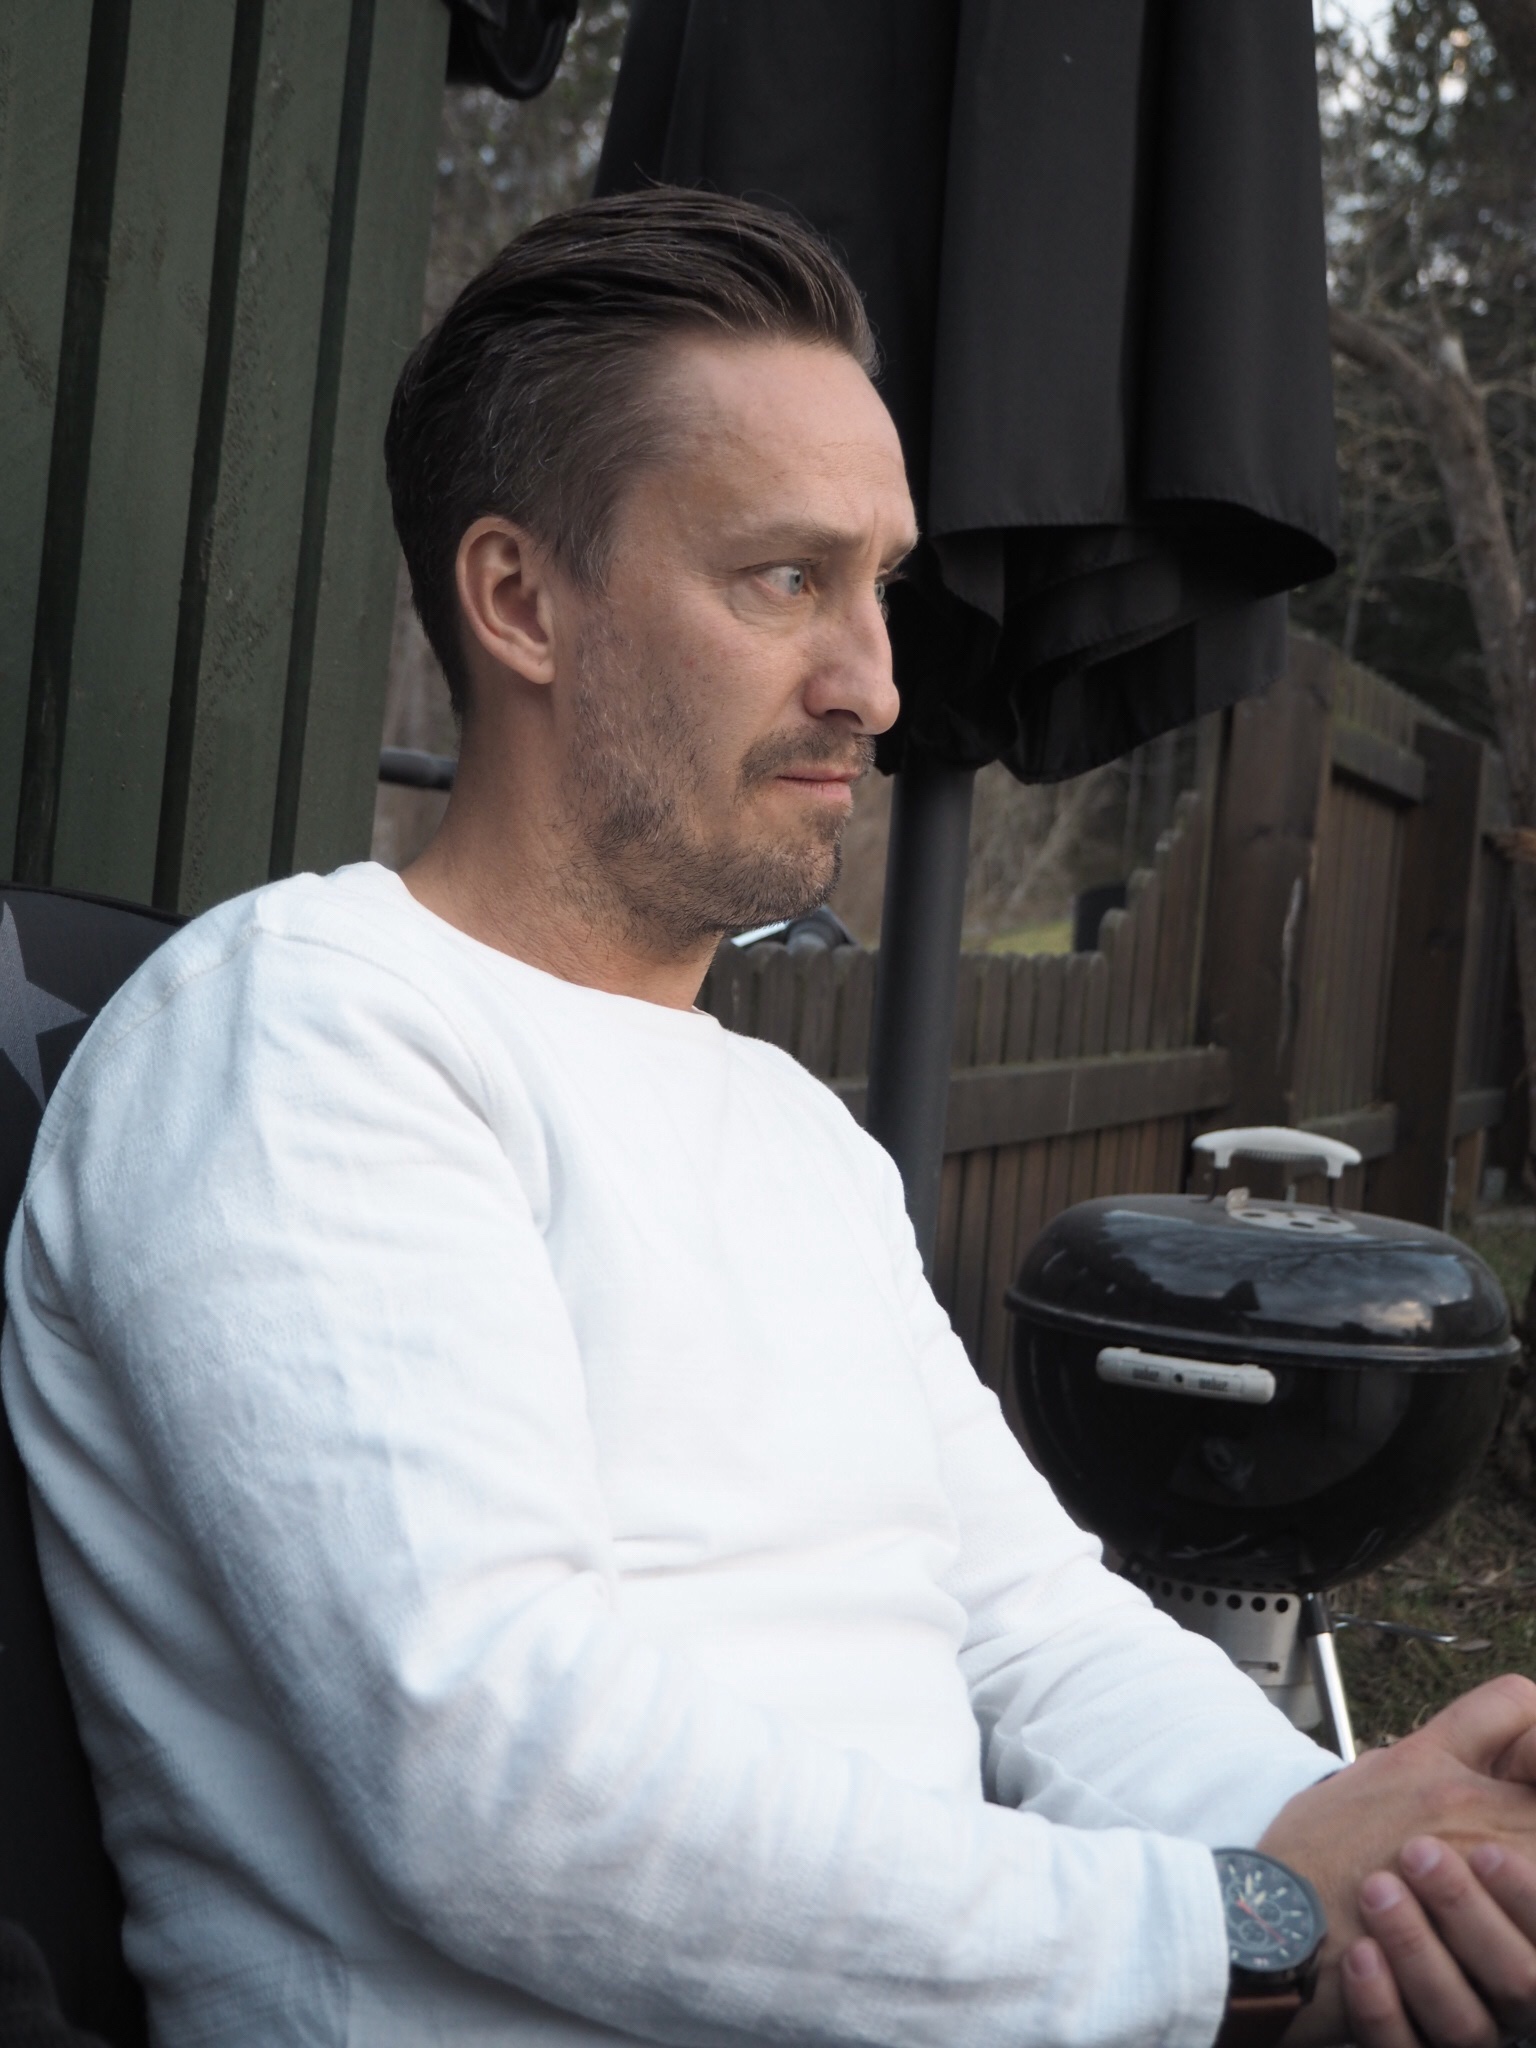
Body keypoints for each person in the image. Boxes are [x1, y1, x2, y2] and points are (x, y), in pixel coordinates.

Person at [6, 188, 1536, 2048]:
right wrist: (1239, 1920)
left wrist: (1390, 1860)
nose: (873, 681)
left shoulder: (797, 1135)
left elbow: (1032, 1630)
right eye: (785, 580)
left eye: (878, 584)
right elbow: (499, 1779)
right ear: (519, 601)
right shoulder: (303, 1030)